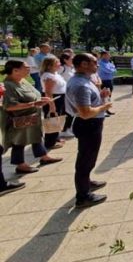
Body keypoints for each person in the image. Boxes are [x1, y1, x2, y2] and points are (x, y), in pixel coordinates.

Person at [65, 53, 112, 208]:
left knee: (89, 158)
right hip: (88, 125)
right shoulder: (81, 85)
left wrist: (101, 96)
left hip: (91, 124)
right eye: (94, 62)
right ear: (84, 64)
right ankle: (83, 196)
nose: (97, 64)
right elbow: (85, 113)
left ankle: (87, 182)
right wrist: (104, 107)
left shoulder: (85, 80)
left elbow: (89, 103)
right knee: (85, 160)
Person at [0, 60, 62, 174]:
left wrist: (41, 100)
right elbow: (9, 106)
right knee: (19, 142)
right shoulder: (8, 85)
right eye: (26, 67)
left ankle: (43, 156)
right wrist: (33, 104)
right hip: (18, 120)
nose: (29, 69)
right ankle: (20, 165)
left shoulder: (23, 81)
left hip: (32, 117)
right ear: (15, 70)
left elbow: (33, 96)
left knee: (36, 136)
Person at [40, 56, 68, 149]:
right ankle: (50, 143)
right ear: (49, 65)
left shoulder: (55, 74)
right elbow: (48, 92)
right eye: (57, 62)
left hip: (60, 98)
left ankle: (56, 138)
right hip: (54, 99)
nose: (59, 64)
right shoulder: (48, 76)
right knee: (52, 120)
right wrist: (52, 106)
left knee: (58, 120)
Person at [59, 53, 76, 137]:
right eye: (71, 59)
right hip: (64, 94)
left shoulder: (71, 68)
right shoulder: (62, 68)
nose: (73, 61)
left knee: (72, 112)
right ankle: (64, 129)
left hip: (71, 93)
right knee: (67, 112)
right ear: (65, 60)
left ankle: (69, 127)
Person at [98, 51, 116, 115]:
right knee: (103, 96)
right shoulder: (100, 63)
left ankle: (107, 109)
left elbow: (115, 70)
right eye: (108, 55)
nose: (109, 56)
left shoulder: (109, 62)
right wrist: (112, 69)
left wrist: (112, 69)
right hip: (104, 81)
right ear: (103, 55)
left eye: (109, 55)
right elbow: (108, 70)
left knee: (108, 96)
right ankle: (103, 111)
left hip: (109, 80)